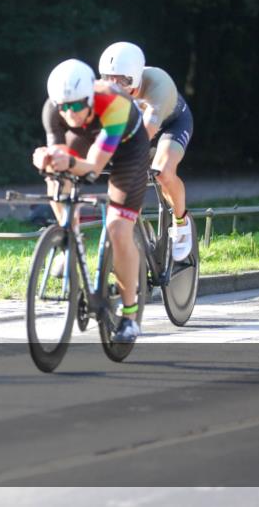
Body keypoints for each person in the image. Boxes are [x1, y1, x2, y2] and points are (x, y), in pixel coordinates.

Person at [32, 59, 150, 342]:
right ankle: (68, 242)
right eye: (64, 107)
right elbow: (63, 161)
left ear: (89, 97)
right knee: (55, 177)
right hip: (86, 138)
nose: (69, 113)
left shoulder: (114, 104)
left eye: (76, 106)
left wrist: (68, 162)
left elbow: (94, 167)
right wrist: (47, 160)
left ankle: (130, 316)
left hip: (128, 149)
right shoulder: (54, 109)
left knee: (118, 228)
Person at [99, 42, 194, 261]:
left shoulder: (158, 85)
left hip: (172, 125)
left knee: (163, 171)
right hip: (138, 128)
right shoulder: (106, 90)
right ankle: (140, 232)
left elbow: (142, 137)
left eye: (120, 80)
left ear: (133, 77)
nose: (112, 85)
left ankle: (181, 221)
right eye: (107, 78)